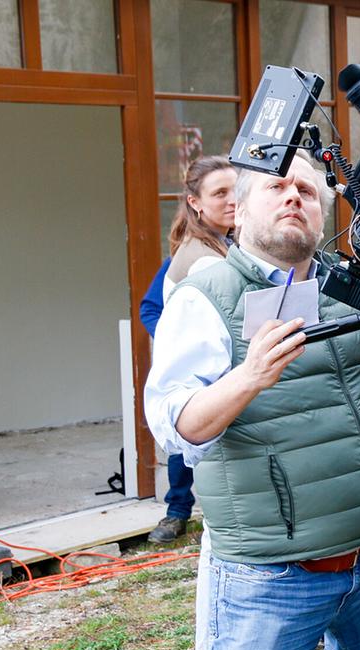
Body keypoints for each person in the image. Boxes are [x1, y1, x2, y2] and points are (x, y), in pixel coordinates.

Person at [145, 151, 360, 650]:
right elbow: (174, 425)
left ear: (322, 217)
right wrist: (250, 377)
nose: (295, 196)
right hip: (272, 575)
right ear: (237, 211)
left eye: (308, 192)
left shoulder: (346, 288)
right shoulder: (204, 296)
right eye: (277, 188)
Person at [144, 155, 238, 545]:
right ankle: (178, 510)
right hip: (198, 368)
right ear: (195, 202)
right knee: (191, 434)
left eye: (237, 189)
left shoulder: (225, 243)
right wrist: (172, 337)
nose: (233, 199)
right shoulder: (198, 258)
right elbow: (151, 307)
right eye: (220, 193)